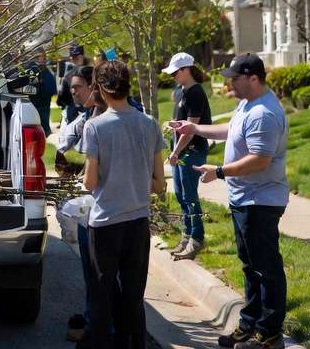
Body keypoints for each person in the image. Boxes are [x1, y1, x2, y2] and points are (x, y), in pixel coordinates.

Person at [171, 54, 289, 349]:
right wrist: (194, 129)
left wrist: (220, 172)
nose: (229, 83)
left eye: (234, 78)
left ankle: (270, 333)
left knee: (266, 267)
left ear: (253, 78)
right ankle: (250, 324)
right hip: (245, 199)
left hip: (260, 202)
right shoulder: (247, 105)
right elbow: (230, 131)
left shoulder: (264, 112)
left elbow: (260, 161)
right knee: (251, 266)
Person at [78, 60, 166, 349]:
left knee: (102, 297)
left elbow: (90, 183)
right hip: (138, 222)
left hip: (105, 223)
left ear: (101, 88)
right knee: (133, 297)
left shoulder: (94, 127)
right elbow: (159, 184)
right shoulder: (150, 123)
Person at [54, 64, 97, 343]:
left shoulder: (102, 119)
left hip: (102, 208)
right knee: (91, 272)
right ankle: (93, 317)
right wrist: (61, 150)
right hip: (91, 207)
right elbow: (67, 138)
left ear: (95, 86)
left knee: (98, 271)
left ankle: (98, 326)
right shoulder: (88, 115)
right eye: (71, 87)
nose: (73, 92)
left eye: (78, 87)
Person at [162, 51, 212, 260]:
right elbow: (183, 123)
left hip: (191, 152)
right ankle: (186, 235)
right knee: (182, 196)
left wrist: (175, 151)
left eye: (175, 72)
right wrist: (173, 125)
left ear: (186, 70)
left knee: (190, 196)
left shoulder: (195, 93)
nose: (172, 76)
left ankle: (197, 238)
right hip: (181, 151)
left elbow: (191, 129)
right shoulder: (182, 91)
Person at [27, 51, 57, 137]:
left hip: (44, 105)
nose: (43, 59)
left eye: (43, 57)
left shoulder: (46, 72)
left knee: (44, 130)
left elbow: (52, 89)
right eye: (39, 57)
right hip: (35, 105)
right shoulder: (32, 70)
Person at [58, 44, 90, 124]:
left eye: (76, 57)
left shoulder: (92, 72)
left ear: (82, 56)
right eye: (73, 58)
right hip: (73, 110)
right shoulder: (69, 75)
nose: (74, 60)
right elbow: (63, 95)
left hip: (89, 108)